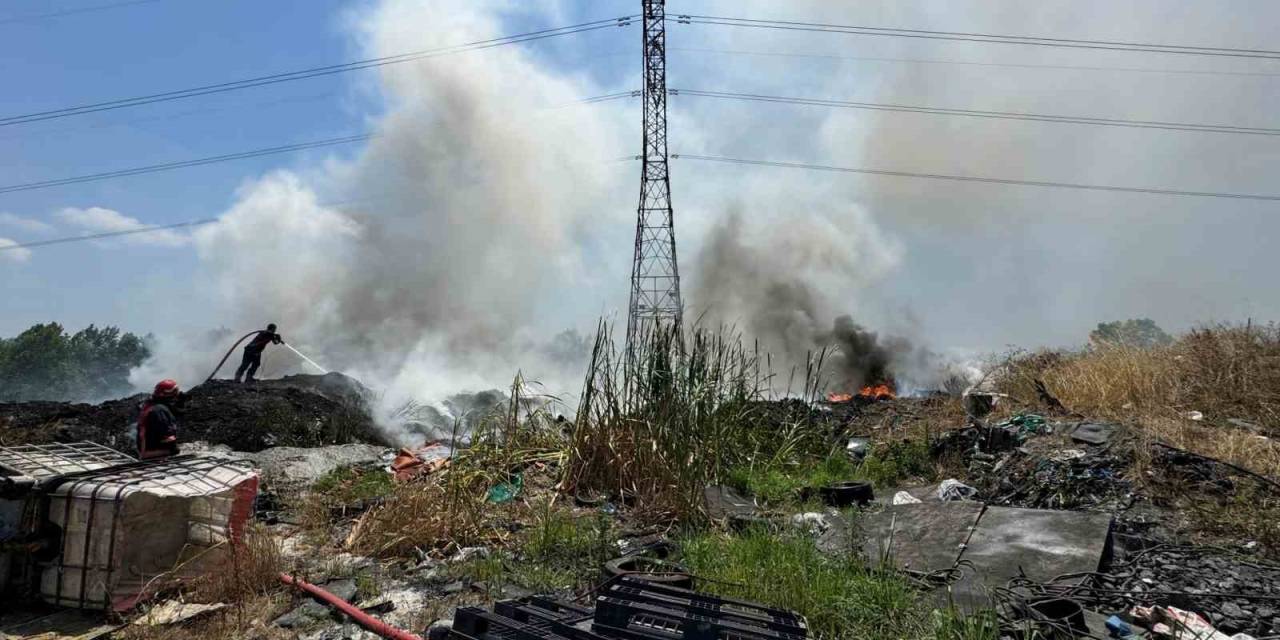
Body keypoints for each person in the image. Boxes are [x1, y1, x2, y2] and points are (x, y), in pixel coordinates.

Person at [137, 379, 182, 460]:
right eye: (175, 391)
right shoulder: (160, 410)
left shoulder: (151, 406)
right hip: (150, 452)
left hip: (144, 448)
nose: (177, 394)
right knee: (175, 450)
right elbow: (167, 437)